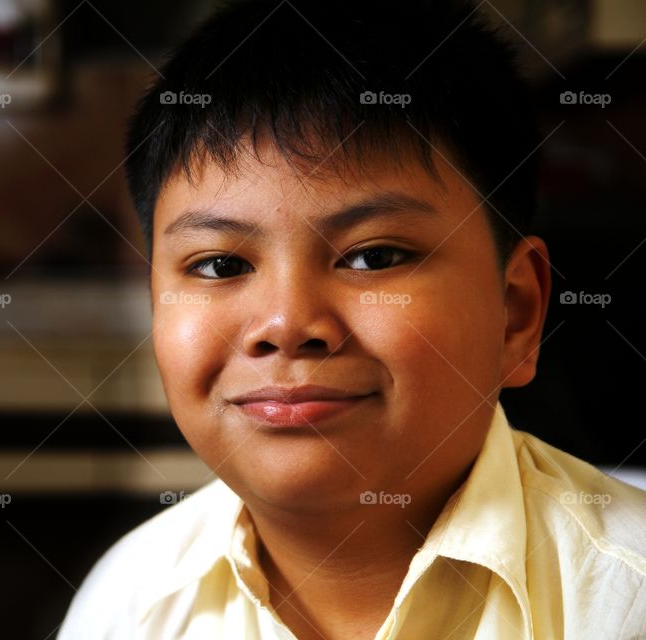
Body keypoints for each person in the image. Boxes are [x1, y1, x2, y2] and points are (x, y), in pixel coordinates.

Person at [58, 0, 646, 637]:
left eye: (374, 257)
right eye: (220, 265)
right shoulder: (129, 604)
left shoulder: (624, 599)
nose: (286, 324)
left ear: (516, 312)